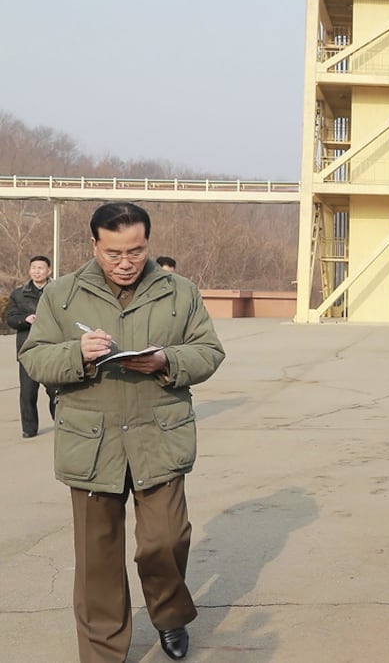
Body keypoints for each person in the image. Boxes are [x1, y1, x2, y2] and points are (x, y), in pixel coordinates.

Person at [19, 202, 225, 662]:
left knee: (165, 541)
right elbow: (34, 358)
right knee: (97, 562)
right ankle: (103, 653)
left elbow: (209, 352)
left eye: (135, 250)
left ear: (148, 244)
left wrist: (166, 360)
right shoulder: (63, 295)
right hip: (91, 443)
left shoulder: (180, 292)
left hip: (160, 436)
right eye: (114, 253)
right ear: (94, 245)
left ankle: (170, 614)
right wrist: (78, 353)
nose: (126, 262)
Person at [6, 254, 56, 437]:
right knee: (28, 393)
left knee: (55, 391)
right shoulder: (18, 294)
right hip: (27, 349)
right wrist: (25, 319)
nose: (37, 271)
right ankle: (29, 429)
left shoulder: (58, 290)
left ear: (48, 271)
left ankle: (60, 422)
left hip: (51, 349)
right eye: (33, 268)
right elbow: (10, 319)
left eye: (40, 268)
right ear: (29, 270)